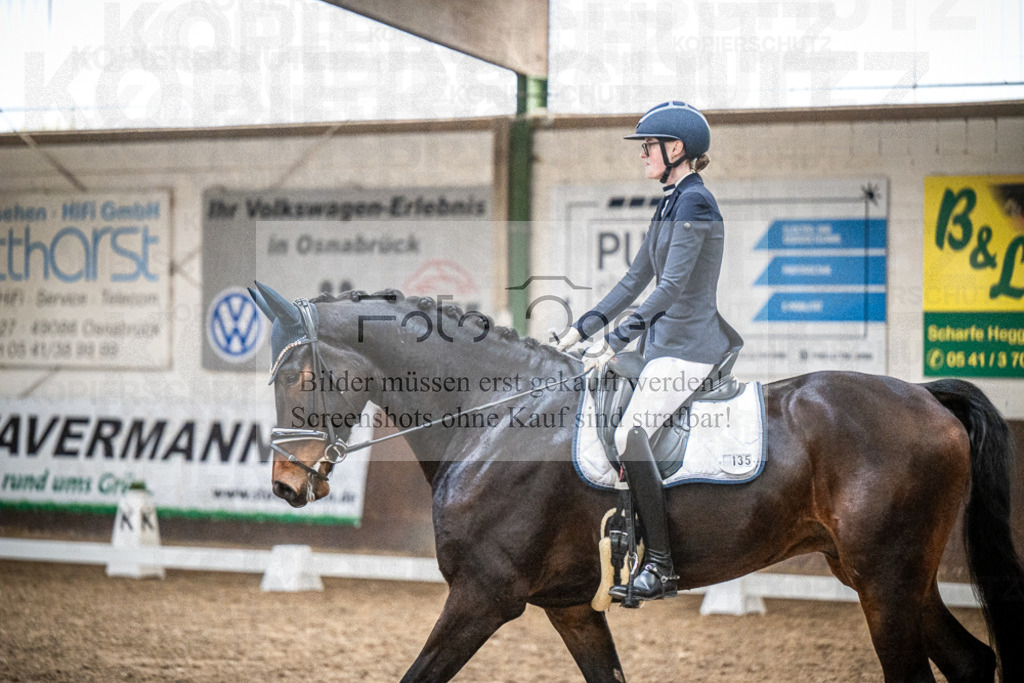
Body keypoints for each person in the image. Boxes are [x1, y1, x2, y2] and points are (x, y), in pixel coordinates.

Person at [554, 101, 741, 601]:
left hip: (688, 347)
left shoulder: (696, 203)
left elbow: (672, 287)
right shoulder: (668, 203)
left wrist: (613, 341)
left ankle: (660, 565)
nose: (642, 155)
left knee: (630, 429)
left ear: (675, 149)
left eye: (648, 146)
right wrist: (579, 332)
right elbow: (634, 280)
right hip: (661, 346)